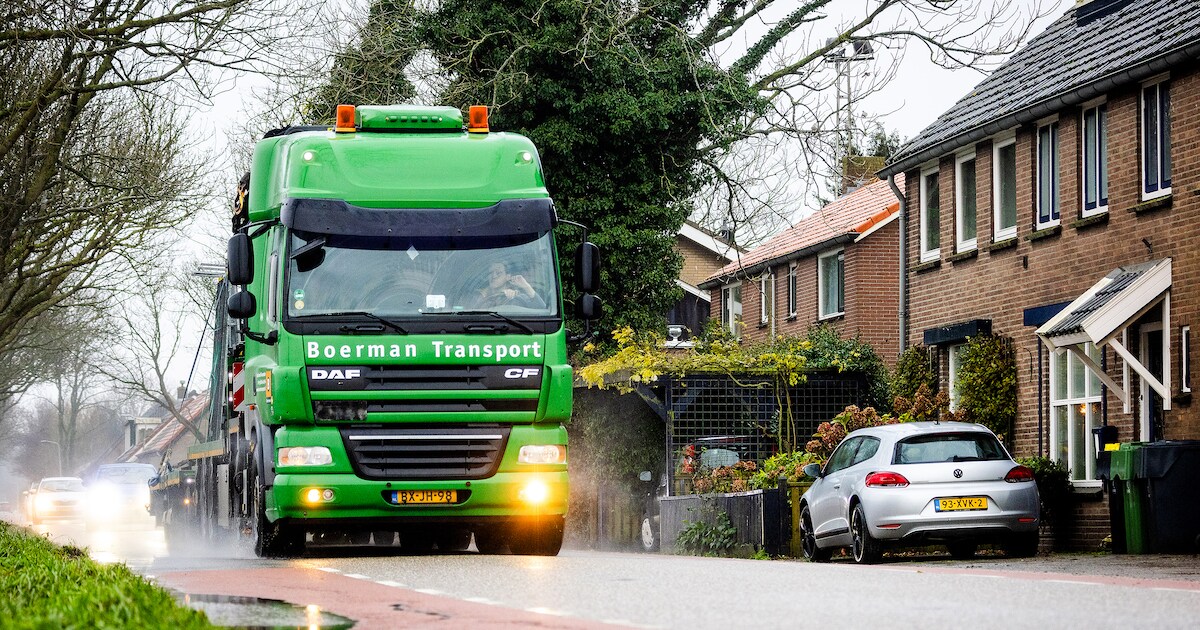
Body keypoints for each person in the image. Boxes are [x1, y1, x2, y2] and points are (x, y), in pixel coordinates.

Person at [472, 261, 544, 308]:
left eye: (498, 273)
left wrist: (527, 287)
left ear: (508, 276)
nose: (493, 276)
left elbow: (541, 309)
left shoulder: (517, 296)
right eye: (490, 273)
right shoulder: (477, 295)